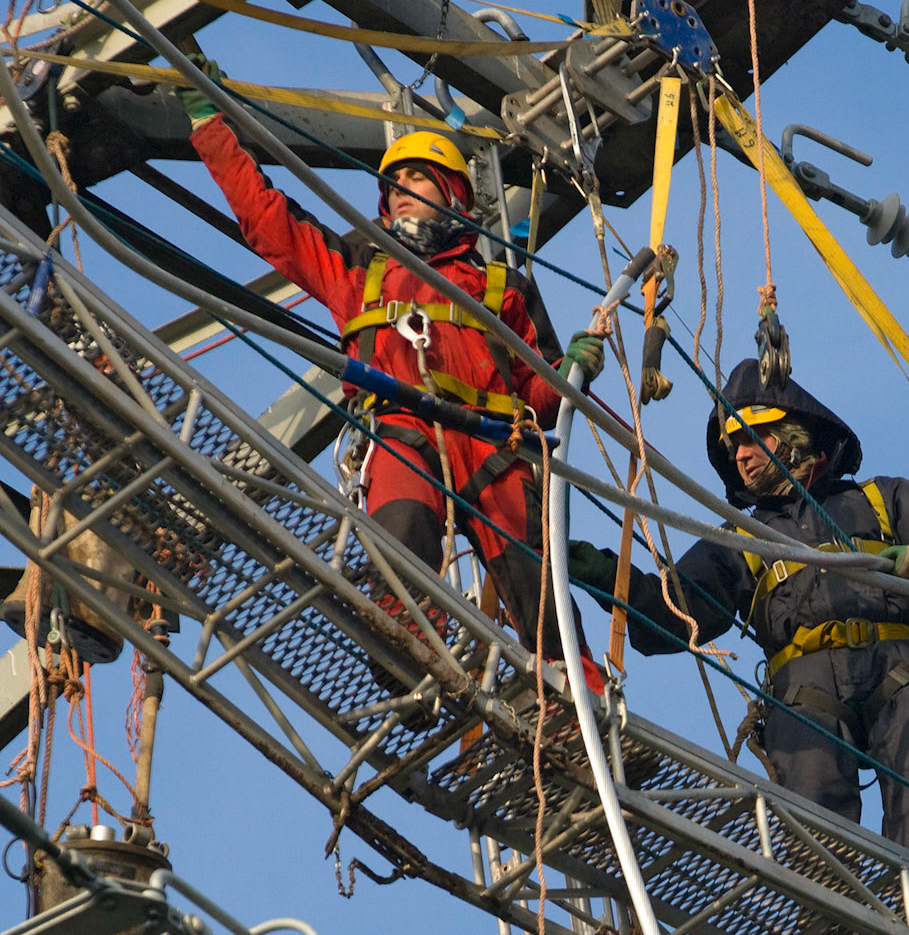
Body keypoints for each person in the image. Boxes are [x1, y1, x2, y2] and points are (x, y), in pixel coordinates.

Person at [178, 67, 606, 687]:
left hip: (491, 437)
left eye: (415, 178)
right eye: (394, 183)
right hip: (403, 424)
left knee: (533, 575)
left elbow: (534, 400)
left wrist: (568, 373)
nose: (399, 190)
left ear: (454, 193)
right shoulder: (359, 266)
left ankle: (573, 696)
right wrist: (207, 124)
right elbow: (269, 220)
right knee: (400, 534)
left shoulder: (504, 286)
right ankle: (409, 650)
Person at [567, 360, 909, 869]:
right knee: (814, 823)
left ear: (791, 433)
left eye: (750, 438)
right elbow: (678, 609)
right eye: (732, 449)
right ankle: (833, 933)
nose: (740, 456)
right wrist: (606, 576)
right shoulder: (741, 537)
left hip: (901, 668)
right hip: (805, 688)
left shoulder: (881, 498)